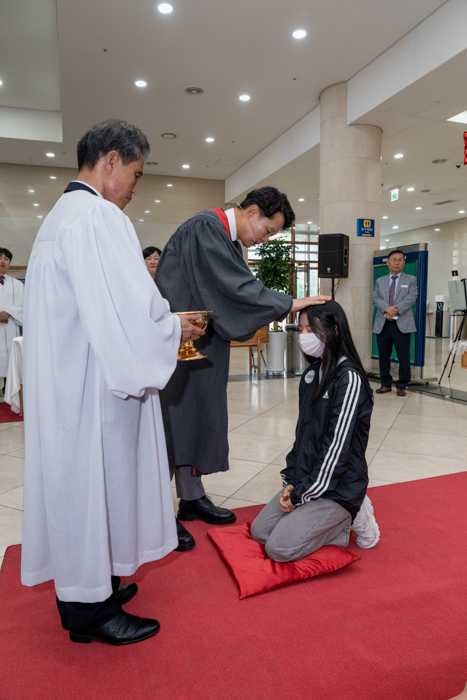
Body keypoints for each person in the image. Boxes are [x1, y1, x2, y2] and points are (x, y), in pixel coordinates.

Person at [21, 119, 204, 646]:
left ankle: (90, 590)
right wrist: (174, 325)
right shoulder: (98, 217)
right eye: (137, 174)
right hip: (92, 389)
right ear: (111, 160)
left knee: (81, 489)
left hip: (70, 382)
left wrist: (162, 325)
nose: (134, 187)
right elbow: (129, 313)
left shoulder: (61, 216)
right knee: (92, 484)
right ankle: (89, 613)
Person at [156, 187, 330, 549]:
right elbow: (235, 288)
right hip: (181, 346)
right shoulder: (204, 228)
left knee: (200, 418)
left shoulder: (225, 239)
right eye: (267, 230)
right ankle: (157, 516)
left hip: (204, 344)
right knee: (173, 424)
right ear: (251, 211)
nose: (264, 239)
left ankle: (191, 497)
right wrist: (289, 303)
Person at [251, 300, 380, 561]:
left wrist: (300, 496)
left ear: (334, 329)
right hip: (308, 479)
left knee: (279, 549)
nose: (304, 336)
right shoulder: (312, 374)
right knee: (261, 532)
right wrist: (291, 483)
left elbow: (336, 449)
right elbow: (303, 437)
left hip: (339, 486)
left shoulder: (350, 379)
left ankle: (351, 517)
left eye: (312, 329)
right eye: (301, 330)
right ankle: (318, 515)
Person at [372, 249, 418, 397]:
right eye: (393, 259)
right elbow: (376, 298)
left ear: (404, 263)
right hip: (383, 323)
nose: (396, 262)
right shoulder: (380, 281)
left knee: (403, 356)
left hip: (402, 323)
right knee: (383, 356)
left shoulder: (411, 279)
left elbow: (412, 297)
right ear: (387, 263)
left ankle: (402, 385)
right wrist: (387, 309)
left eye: (400, 260)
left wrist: (395, 311)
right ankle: (385, 384)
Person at [0, 248, 23, 387]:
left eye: (6, 259)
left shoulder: (18, 285)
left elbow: (24, 303)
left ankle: (9, 394)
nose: (2, 261)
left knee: (11, 365)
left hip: (10, 328)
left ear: (10, 263)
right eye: (0, 257)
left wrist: (8, 312)